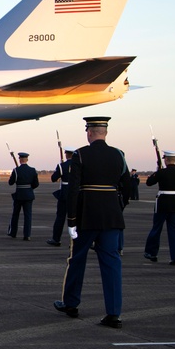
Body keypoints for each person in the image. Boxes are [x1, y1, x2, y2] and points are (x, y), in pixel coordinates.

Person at [54, 116, 132, 329]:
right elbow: (128, 186)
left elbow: (74, 189)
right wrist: (117, 207)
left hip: (86, 216)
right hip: (112, 216)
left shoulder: (81, 154)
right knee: (112, 264)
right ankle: (114, 313)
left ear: (89, 132)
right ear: (105, 132)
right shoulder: (119, 155)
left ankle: (71, 303)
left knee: (77, 259)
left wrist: (71, 219)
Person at [143, 150, 175, 265]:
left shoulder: (162, 172)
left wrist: (157, 171)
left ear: (166, 159)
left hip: (163, 203)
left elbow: (149, 182)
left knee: (156, 228)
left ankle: (152, 253)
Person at [47, 148, 75, 246]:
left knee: (60, 217)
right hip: (76, 194)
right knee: (76, 218)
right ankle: (76, 240)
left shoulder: (62, 166)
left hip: (64, 194)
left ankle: (56, 238)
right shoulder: (79, 165)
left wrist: (60, 170)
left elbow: (53, 178)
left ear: (67, 155)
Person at [7, 152, 39, 240]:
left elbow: (10, 183)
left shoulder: (16, 170)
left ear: (20, 160)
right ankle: (27, 235)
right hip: (28, 194)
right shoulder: (32, 170)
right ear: (27, 159)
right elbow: (36, 184)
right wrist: (29, 187)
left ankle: (13, 232)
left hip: (19, 194)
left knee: (15, 214)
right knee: (28, 216)